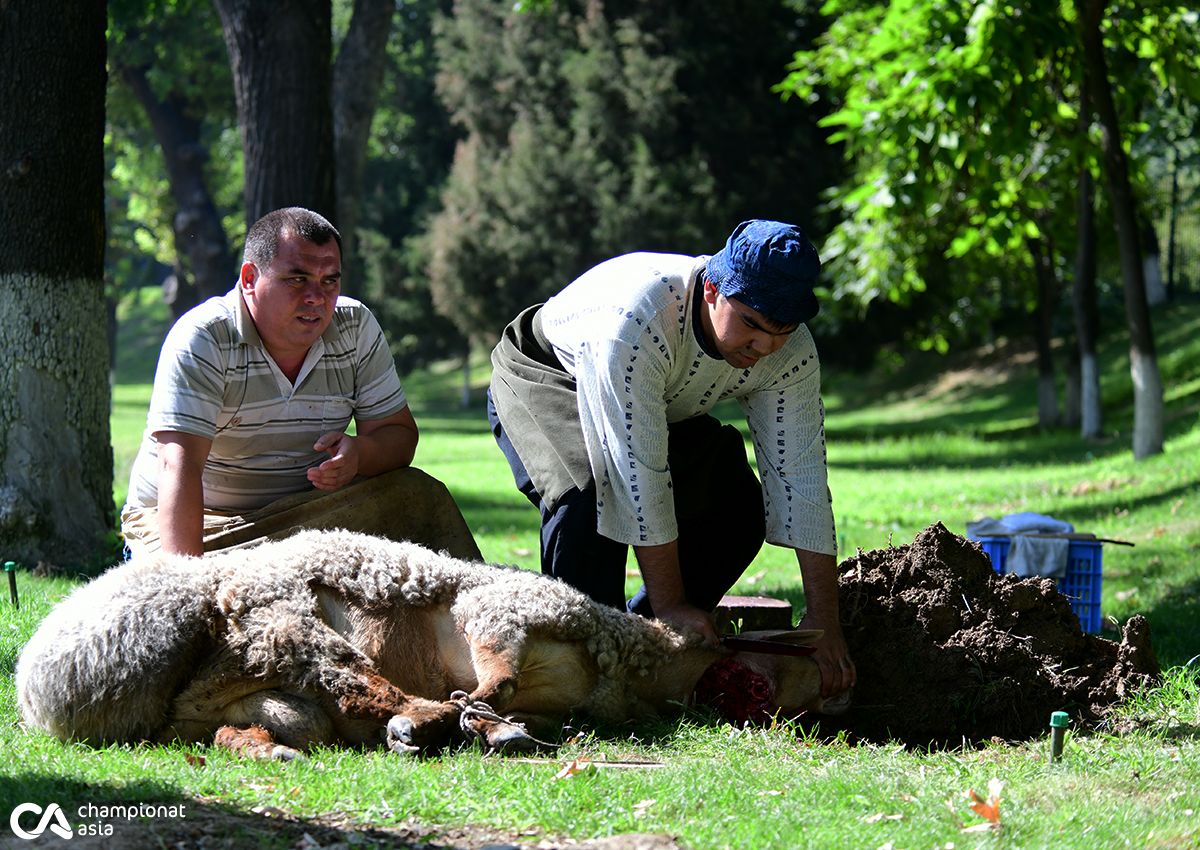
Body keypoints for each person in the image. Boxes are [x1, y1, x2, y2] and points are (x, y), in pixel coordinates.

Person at [487, 219, 854, 697]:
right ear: (712, 291)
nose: (764, 347)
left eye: (780, 331)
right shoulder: (637, 320)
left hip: (657, 397)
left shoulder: (791, 352)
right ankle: (571, 670)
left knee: (739, 506)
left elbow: (801, 477)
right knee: (586, 500)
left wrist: (825, 620)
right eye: (751, 324)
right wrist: (671, 601)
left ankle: (645, 652)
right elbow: (634, 473)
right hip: (551, 372)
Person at [121, 207, 426, 558]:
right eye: (298, 279)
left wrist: (359, 455)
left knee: (417, 494)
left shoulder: (355, 327)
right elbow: (177, 465)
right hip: (203, 524)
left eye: (330, 280)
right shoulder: (204, 337)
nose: (317, 296)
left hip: (307, 518)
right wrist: (186, 586)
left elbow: (399, 437)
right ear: (249, 278)